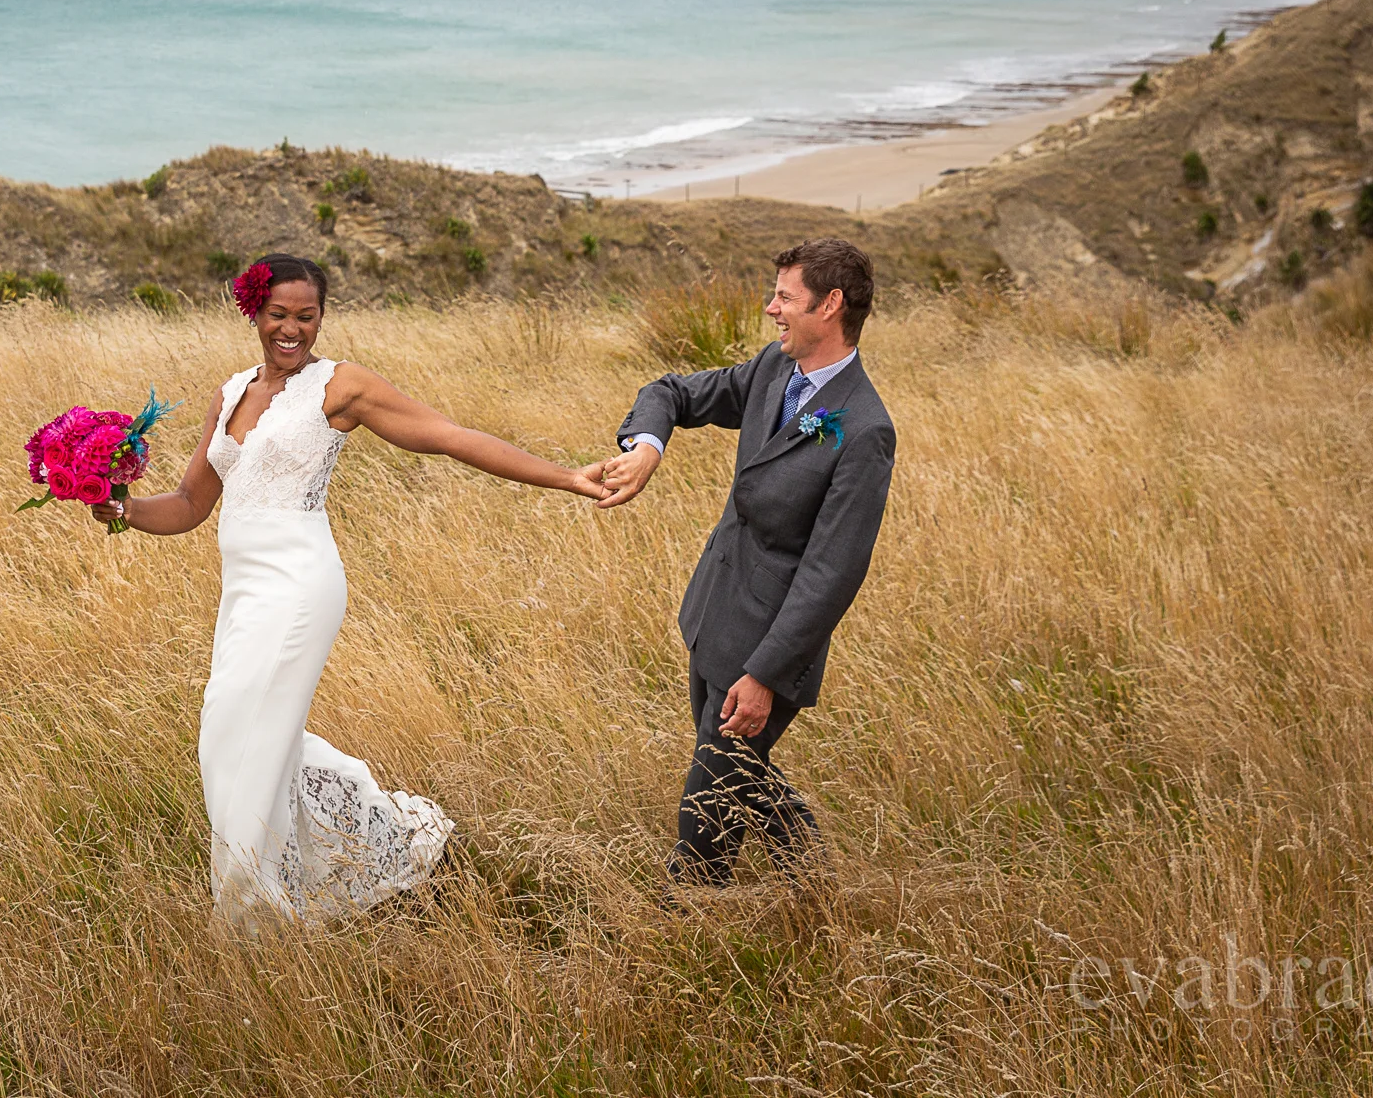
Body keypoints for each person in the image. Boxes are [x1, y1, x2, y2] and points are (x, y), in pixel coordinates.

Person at [90, 252, 608, 928]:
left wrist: (567, 476)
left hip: (300, 585)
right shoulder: (231, 393)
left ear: (321, 317)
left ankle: (255, 921)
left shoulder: (339, 386)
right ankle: (385, 830)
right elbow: (190, 502)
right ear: (255, 312)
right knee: (228, 735)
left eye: (307, 316)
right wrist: (121, 507)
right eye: (279, 314)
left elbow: (449, 436)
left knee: (251, 740)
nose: (292, 330)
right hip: (244, 594)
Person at [586, 238, 896, 889]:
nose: (770, 308)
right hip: (713, 614)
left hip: (768, 648)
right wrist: (646, 446)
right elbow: (671, 391)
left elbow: (831, 573)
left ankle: (682, 928)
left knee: (705, 817)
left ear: (830, 304)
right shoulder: (771, 370)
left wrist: (764, 676)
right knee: (738, 770)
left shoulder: (864, 429)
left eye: (784, 296)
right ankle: (815, 879)